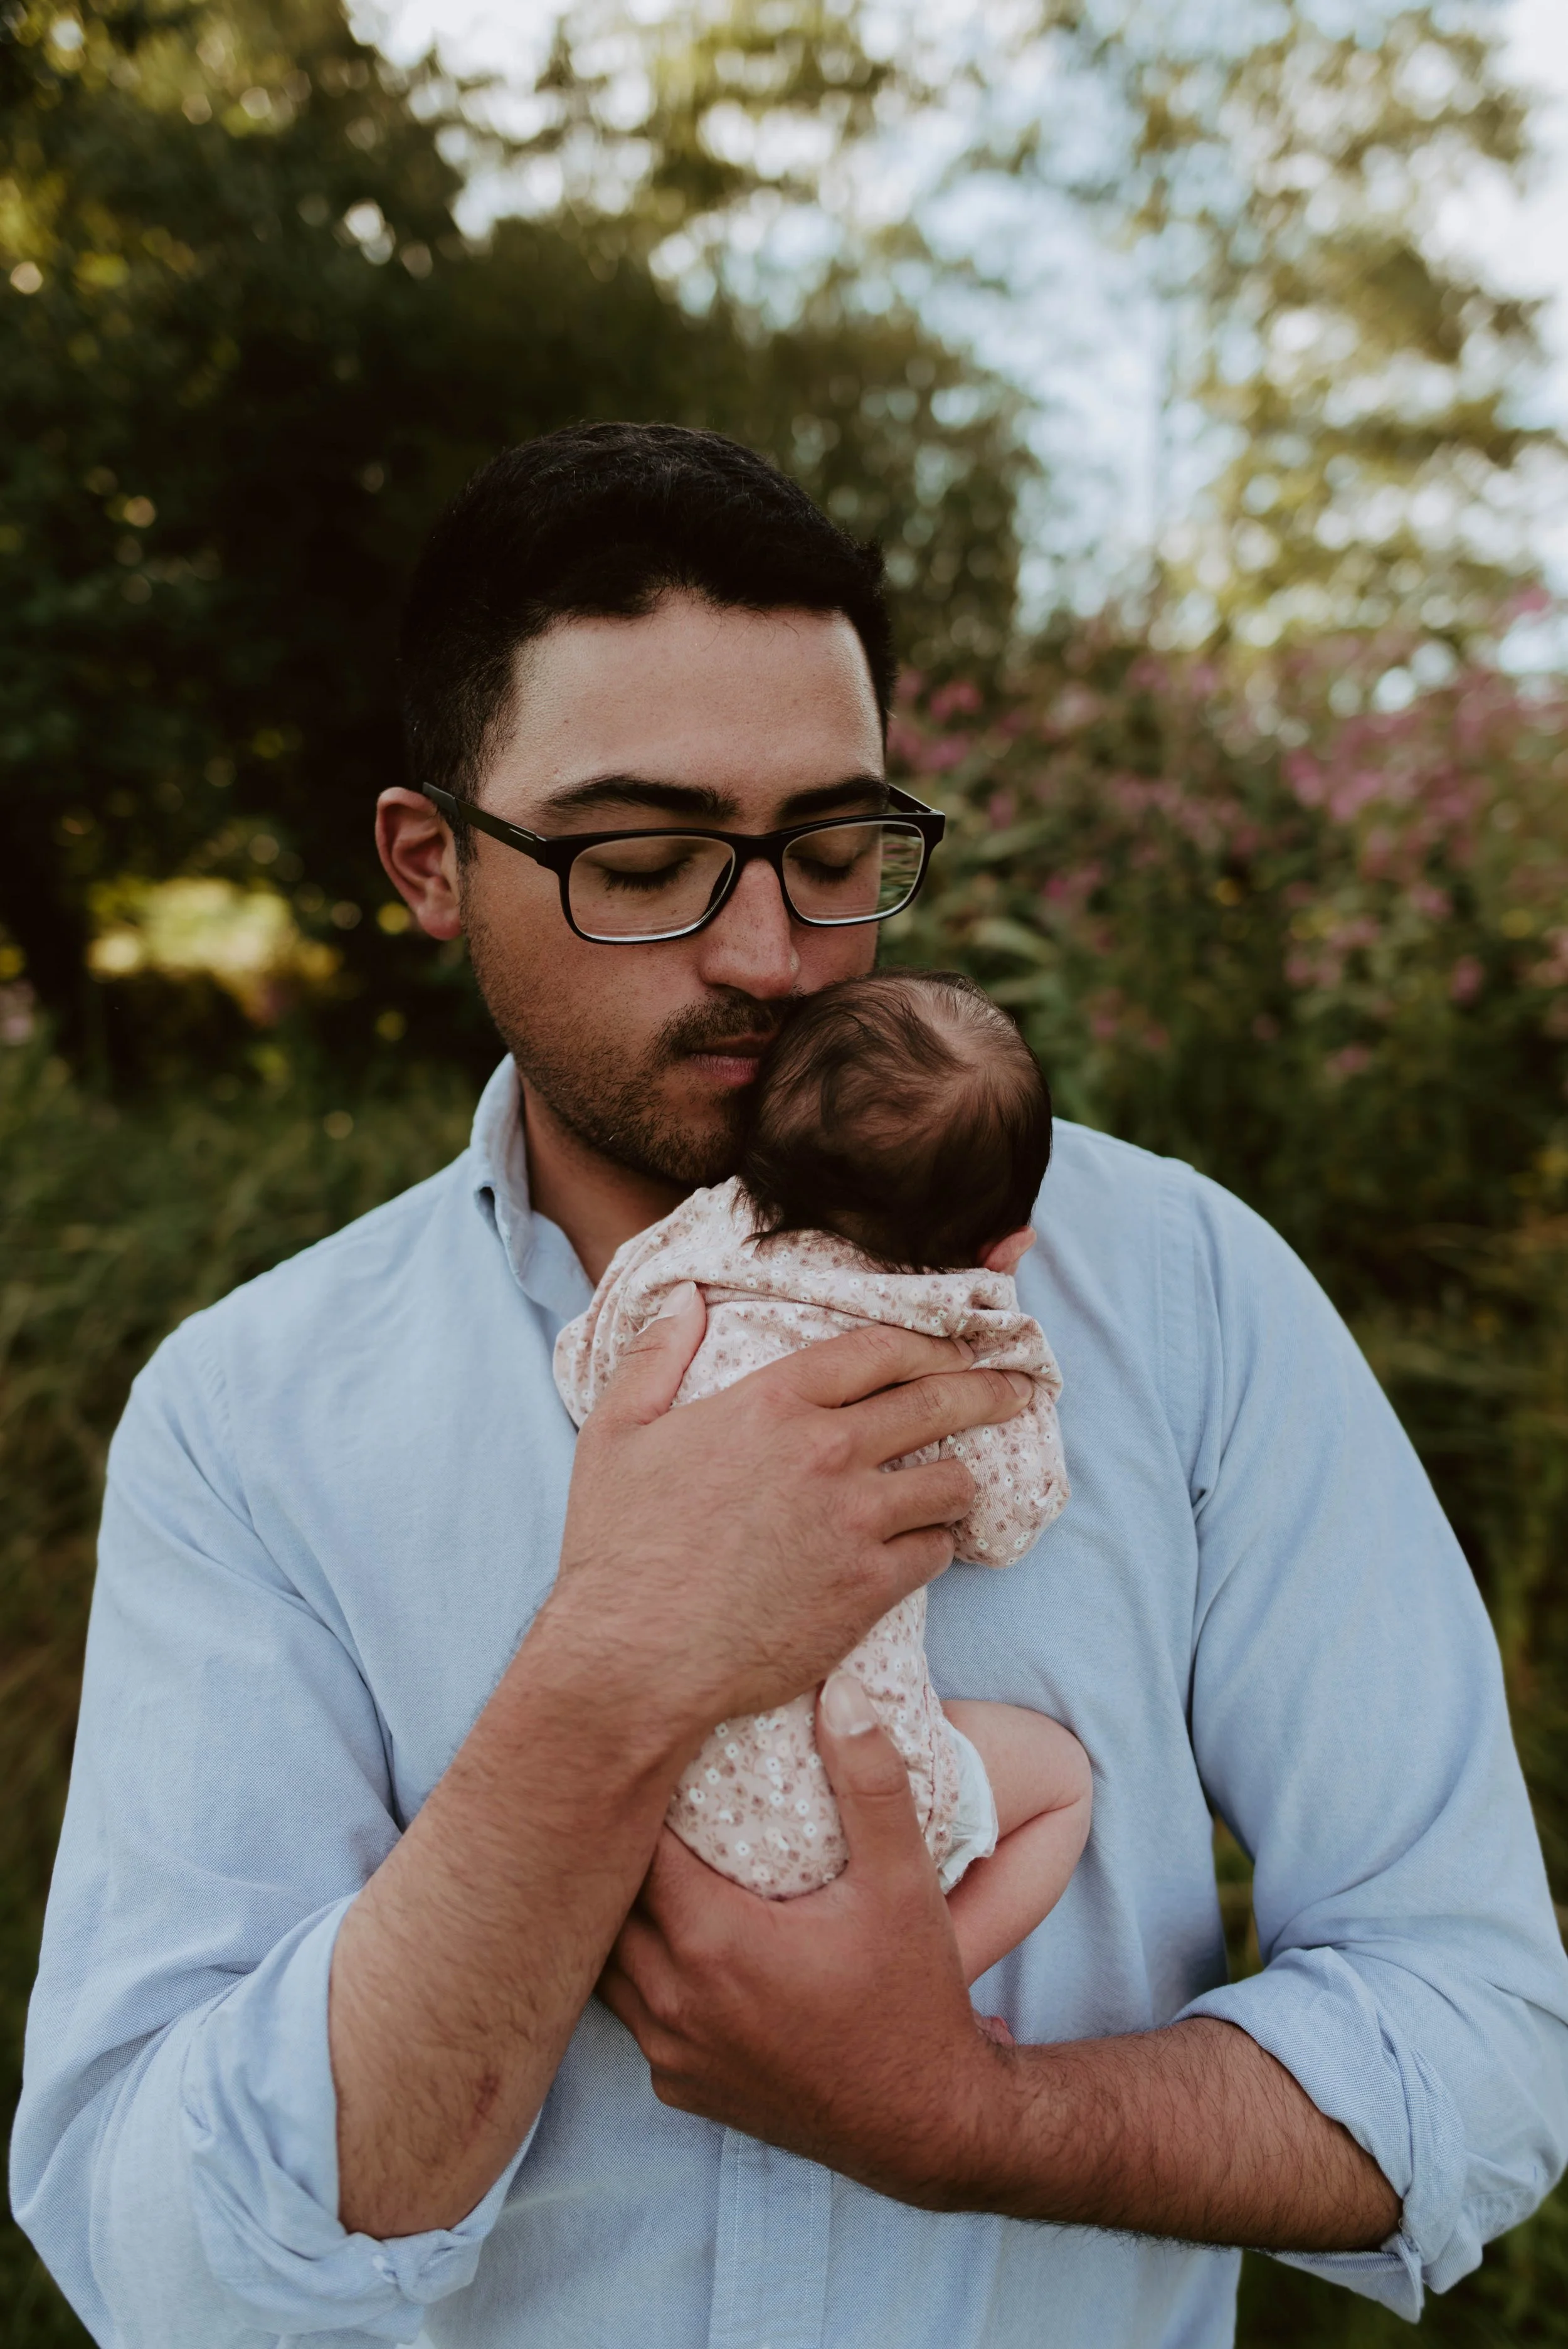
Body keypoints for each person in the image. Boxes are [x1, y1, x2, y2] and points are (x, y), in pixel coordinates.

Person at [12, 422, 1568, 2349]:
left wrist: (959, 2117)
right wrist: (614, 1663)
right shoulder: (249, 1419)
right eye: (644, 861)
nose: (770, 952)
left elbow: (1479, 2045)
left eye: (835, 852)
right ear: (430, 864)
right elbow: (163, 2271)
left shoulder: (1182, 1294)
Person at [553, 968, 1088, 1981]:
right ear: (1002, 1244)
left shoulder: (683, 1259)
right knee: (1061, 1786)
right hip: (842, 1808)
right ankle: (918, 1988)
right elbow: (1012, 1519)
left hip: (641, 1809)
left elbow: (586, 1373)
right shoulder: (943, 1342)